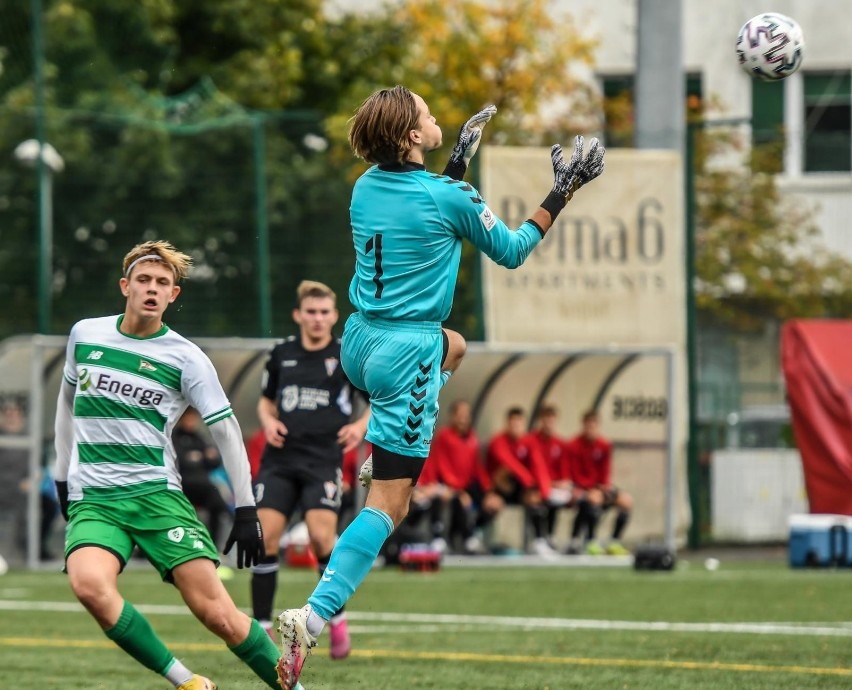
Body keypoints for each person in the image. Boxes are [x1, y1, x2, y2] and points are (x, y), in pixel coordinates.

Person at [274, 85, 605, 690]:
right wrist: (565, 188)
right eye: (426, 115)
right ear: (409, 136)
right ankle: (314, 617)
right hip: (406, 353)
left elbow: (421, 209)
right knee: (392, 505)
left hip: (360, 343)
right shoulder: (448, 196)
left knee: (458, 344)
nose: (434, 118)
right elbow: (510, 250)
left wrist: (454, 165)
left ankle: (388, 447)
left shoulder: (366, 186)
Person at [52, 240, 293, 690]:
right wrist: (62, 476)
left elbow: (226, 431)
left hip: (157, 497)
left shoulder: (186, 357)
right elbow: (66, 407)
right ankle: (187, 682)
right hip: (96, 501)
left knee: (218, 615)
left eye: (163, 283)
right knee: (89, 587)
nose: (152, 289)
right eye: (143, 280)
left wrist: (246, 509)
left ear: (173, 295)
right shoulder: (85, 334)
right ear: (125, 286)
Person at [251, 280, 370, 661]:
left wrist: (359, 426)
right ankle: (261, 629)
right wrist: (268, 422)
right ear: (298, 315)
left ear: (334, 316)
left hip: (322, 461)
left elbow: (374, 402)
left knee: (322, 540)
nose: (317, 319)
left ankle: (337, 620)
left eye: (324, 312)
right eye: (311, 312)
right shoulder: (280, 353)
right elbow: (265, 403)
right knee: (265, 539)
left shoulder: (346, 355)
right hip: (280, 461)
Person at [428, 399, 502, 554]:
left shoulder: (473, 438)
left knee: (493, 505)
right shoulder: (444, 436)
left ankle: (470, 532)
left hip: (466, 485)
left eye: (466, 415)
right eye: (460, 415)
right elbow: (442, 465)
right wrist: (458, 491)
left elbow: (478, 468)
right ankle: (447, 538)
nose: (463, 418)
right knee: (451, 499)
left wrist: (489, 491)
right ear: (452, 417)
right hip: (447, 484)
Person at [486, 407, 555, 557]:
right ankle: (475, 537)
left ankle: (539, 541)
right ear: (507, 423)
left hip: (519, 488)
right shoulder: (498, 441)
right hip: (497, 488)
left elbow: (538, 466)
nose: (516, 426)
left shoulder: (528, 442)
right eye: (513, 422)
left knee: (534, 499)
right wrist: (528, 479)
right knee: (502, 477)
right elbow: (509, 463)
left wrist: (543, 491)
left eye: (519, 423)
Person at [564, 409, 632, 556]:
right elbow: (575, 474)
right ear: (583, 425)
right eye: (588, 425)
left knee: (626, 501)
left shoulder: (604, 445)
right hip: (582, 488)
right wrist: (591, 488)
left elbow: (606, 471)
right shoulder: (574, 445)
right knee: (593, 498)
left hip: (600, 487)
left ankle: (614, 541)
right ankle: (591, 540)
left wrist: (604, 487)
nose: (591, 429)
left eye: (594, 425)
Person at [173, 407, 231, 553]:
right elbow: (182, 462)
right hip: (182, 485)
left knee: (219, 505)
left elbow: (215, 460)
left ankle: (214, 547)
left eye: (194, 418)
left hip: (203, 485)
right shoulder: (175, 437)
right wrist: (202, 457)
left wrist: (199, 457)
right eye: (189, 418)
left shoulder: (199, 437)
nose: (192, 422)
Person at [527, 403, 574, 551]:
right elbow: (531, 469)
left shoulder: (560, 443)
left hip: (552, 486)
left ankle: (551, 536)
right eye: (546, 420)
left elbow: (565, 474)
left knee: (560, 497)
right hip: (535, 486)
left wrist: (559, 483)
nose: (549, 424)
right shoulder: (531, 441)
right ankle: (539, 540)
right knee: (537, 498)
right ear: (541, 421)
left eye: (552, 421)